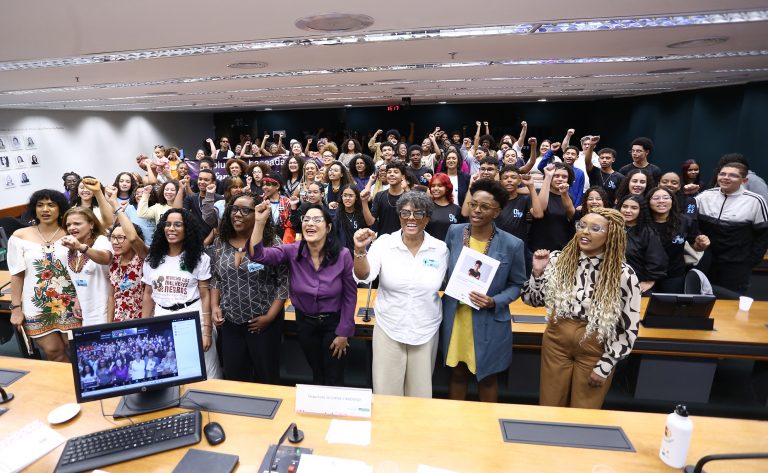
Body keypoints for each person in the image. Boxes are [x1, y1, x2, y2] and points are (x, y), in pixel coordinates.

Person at [522, 207, 641, 409]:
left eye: (595, 228)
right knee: (550, 405)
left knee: (585, 409)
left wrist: (606, 365)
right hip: (556, 339)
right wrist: (537, 272)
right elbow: (531, 300)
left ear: (610, 234)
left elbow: (628, 327)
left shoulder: (623, 274)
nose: (585, 231)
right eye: (582, 225)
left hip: (595, 344)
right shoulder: (559, 260)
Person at [352, 192, 448, 397]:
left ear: (427, 218)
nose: (411, 218)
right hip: (389, 326)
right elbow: (364, 276)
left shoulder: (440, 249)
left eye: (418, 213)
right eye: (405, 213)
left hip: (425, 329)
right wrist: (359, 250)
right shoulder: (385, 244)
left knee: (420, 396)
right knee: (386, 394)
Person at [248, 203, 356, 386]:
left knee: (334, 375)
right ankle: (317, 411)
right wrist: (259, 222)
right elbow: (258, 256)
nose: (310, 223)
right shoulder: (292, 251)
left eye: (316, 220)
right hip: (306, 323)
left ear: (328, 227)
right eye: (306, 219)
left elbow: (350, 295)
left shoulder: (343, 255)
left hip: (334, 323)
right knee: (316, 372)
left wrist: (344, 332)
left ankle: (334, 412)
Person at [441, 180, 527, 402]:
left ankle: (488, 430)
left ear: (497, 212)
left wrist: (494, 301)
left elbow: (517, 285)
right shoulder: (454, 231)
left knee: (487, 377)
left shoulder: (512, 244)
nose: (476, 210)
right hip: (456, 316)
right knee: (457, 373)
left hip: (488, 318)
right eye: (473, 204)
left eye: (485, 207)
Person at [210, 192, 289, 383]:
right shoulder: (220, 242)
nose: (237, 214)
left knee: (267, 378)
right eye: (234, 209)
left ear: (257, 214)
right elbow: (216, 278)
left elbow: (285, 283)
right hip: (230, 323)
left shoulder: (272, 244)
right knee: (235, 377)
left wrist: (269, 318)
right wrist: (214, 307)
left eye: (245, 210)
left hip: (263, 322)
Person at [141, 208, 222, 379]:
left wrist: (207, 332)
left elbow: (205, 295)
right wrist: (145, 327)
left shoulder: (200, 258)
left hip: (193, 317)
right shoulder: (151, 259)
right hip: (162, 318)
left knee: (207, 373)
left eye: (178, 225)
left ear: (187, 229)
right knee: (172, 372)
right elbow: (148, 294)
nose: (171, 228)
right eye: (168, 224)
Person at [8, 189, 77, 362]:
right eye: (40, 205)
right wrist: (16, 308)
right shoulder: (20, 236)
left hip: (73, 302)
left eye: (51, 205)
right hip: (36, 304)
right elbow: (17, 274)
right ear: (34, 209)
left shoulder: (72, 233)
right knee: (53, 351)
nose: (45, 209)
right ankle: (66, 388)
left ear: (60, 208)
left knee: (76, 348)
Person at [696, 163, 766, 294]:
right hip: (705, 262)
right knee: (700, 301)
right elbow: (690, 223)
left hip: (736, 266)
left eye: (733, 175)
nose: (726, 178)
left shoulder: (755, 201)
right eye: (722, 174)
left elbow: (763, 235)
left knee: (730, 304)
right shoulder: (704, 196)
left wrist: (750, 261)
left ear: (744, 180)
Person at [57, 206, 113, 325]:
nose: (72, 228)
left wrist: (81, 247)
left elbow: (105, 258)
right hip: (86, 311)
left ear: (91, 224)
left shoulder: (101, 241)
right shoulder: (73, 247)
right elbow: (81, 277)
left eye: (77, 223)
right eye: (68, 225)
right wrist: (78, 299)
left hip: (105, 311)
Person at [648, 186, 710, 293]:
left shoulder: (684, 221)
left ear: (672, 201)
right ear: (648, 201)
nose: (661, 201)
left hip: (674, 274)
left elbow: (694, 244)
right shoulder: (642, 222)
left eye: (666, 198)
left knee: (670, 307)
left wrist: (701, 245)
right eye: (656, 198)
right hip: (646, 275)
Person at [619, 194, 668, 294]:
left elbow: (657, 259)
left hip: (636, 283)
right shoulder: (612, 227)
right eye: (624, 206)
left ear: (641, 211)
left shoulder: (647, 232)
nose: (628, 211)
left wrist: (649, 281)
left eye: (634, 208)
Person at [107, 208, 148, 322]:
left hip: (142, 320)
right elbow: (111, 297)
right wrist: (108, 325)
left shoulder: (143, 258)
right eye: (113, 237)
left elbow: (134, 238)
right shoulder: (113, 261)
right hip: (119, 321)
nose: (115, 242)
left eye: (120, 238)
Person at [529, 163, 576, 252]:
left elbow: (571, 216)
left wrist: (564, 194)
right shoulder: (538, 192)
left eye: (564, 177)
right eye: (556, 176)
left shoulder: (568, 197)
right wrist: (548, 176)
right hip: (539, 248)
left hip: (562, 247)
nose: (560, 179)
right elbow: (541, 209)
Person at [371, 161, 408, 235]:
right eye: (389, 172)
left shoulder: (408, 197)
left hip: (404, 240)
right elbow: (370, 221)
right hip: (383, 239)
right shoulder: (379, 196)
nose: (391, 174)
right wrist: (364, 202)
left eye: (396, 172)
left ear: (403, 177)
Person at [425, 173, 462, 241]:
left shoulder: (457, 209)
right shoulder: (426, 207)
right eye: (433, 186)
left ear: (447, 188)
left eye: (440, 186)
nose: (435, 188)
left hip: (450, 249)